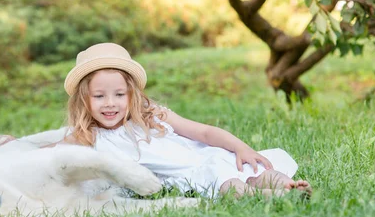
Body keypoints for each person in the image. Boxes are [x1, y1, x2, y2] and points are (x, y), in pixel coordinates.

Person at [60, 42, 311, 199]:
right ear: (85, 99)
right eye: (99, 96)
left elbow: (203, 133)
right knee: (232, 187)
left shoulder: (152, 114)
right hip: (192, 175)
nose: (110, 103)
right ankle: (276, 198)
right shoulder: (89, 136)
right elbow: (50, 152)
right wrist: (19, 145)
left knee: (255, 171)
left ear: (131, 94)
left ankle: (288, 185)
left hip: (210, 155)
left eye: (119, 94)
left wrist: (240, 147)